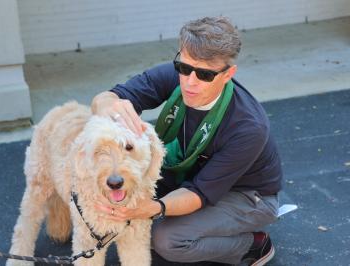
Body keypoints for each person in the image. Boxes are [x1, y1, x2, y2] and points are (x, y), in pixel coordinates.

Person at [91, 16, 282, 266]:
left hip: (246, 194)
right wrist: (111, 106)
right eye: (184, 67)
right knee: (116, 203)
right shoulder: (178, 75)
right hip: (189, 175)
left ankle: (251, 246)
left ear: (228, 74)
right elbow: (104, 98)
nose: (190, 82)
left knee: (167, 240)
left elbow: (198, 193)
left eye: (204, 74)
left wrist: (152, 209)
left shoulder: (248, 127)